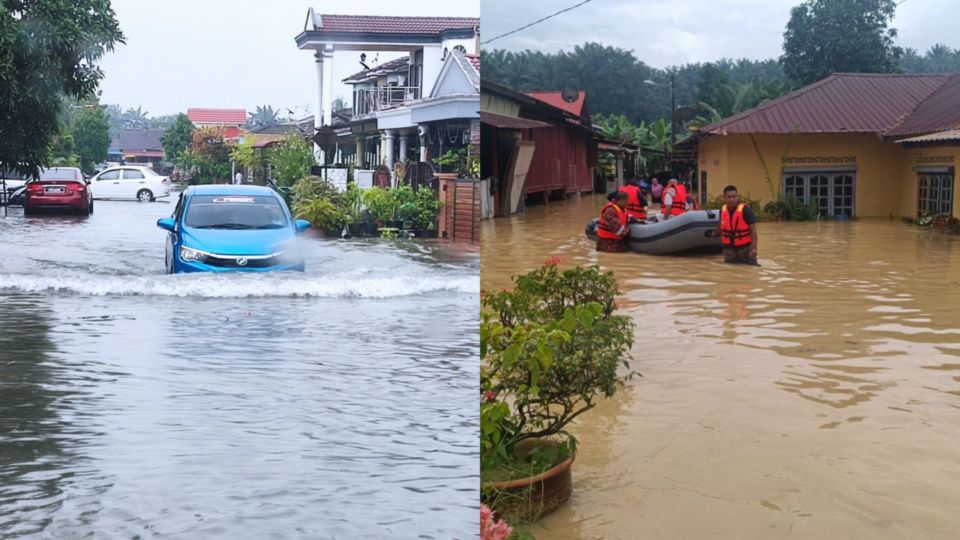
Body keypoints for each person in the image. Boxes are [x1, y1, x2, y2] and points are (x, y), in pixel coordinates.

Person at [711, 184, 759, 265]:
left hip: (745, 249)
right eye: (729, 197)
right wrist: (712, 234)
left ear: (737, 197)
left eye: (734, 196)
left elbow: (753, 231)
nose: (731, 199)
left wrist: (754, 248)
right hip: (729, 250)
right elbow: (721, 227)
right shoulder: (722, 210)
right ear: (724, 197)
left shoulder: (746, 210)